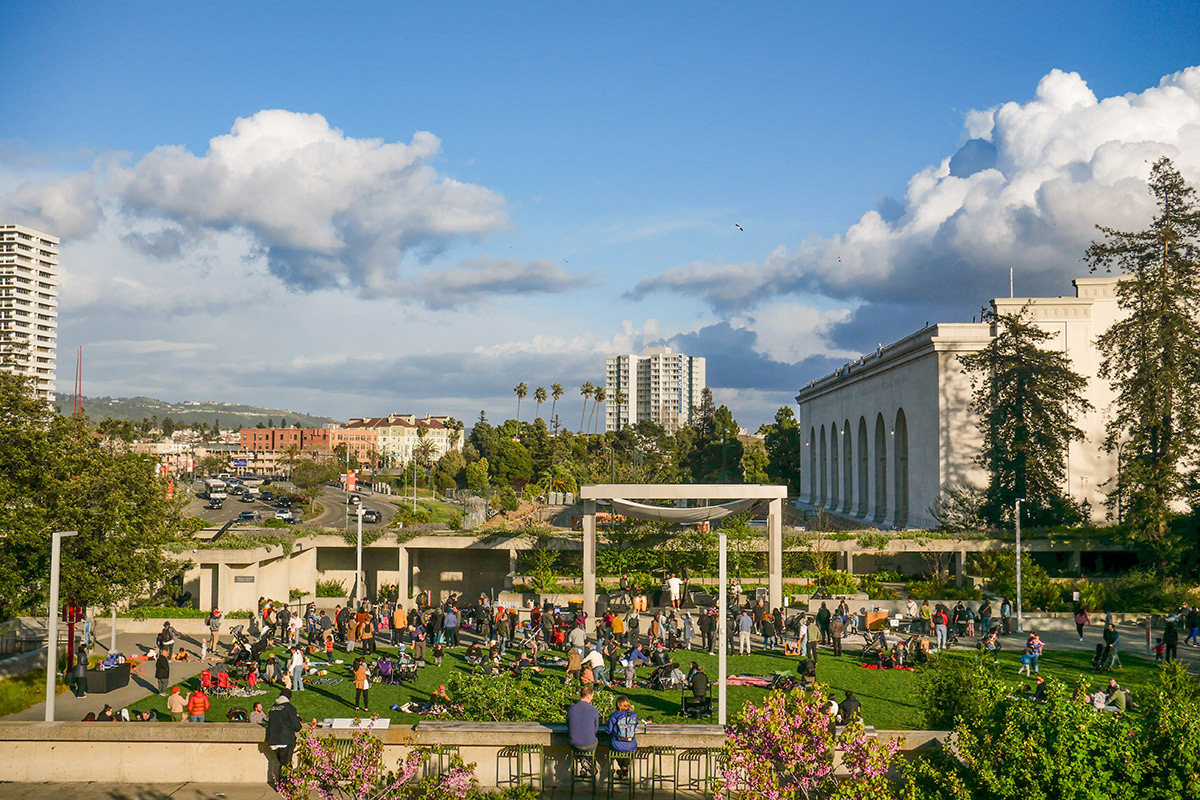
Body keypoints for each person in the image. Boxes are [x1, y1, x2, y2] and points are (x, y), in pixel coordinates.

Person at [267, 687, 303, 789]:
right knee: (286, 764)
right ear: (289, 698)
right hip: (285, 740)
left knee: (281, 764)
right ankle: (286, 786)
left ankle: (281, 785)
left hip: (274, 741)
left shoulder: (273, 708)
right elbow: (297, 727)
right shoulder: (289, 708)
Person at [606, 695, 639, 775]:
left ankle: (623, 768)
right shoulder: (634, 716)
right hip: (631, 745)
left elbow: (609, 731)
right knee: (630, 752)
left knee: (614, 749)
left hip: (617, 745)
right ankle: (624, 767)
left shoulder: (614, 715)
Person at [567, 686, 601, 757]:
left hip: (574, 743)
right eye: (592, 696)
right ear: (589, 696)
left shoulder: (571, 709)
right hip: (589, 744)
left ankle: (582, 760)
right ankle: (585, 761)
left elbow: (568, 725)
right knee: (592, 743)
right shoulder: (594, 710)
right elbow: (595, 729)